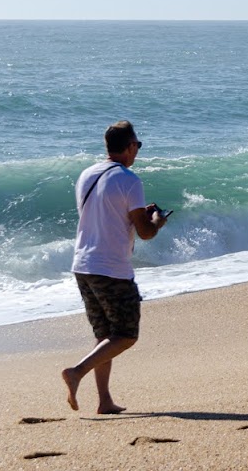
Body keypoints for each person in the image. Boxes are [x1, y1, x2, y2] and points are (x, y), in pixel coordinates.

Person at [61, 121, 168, 413]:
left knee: (104, 334)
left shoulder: (87, 175)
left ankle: (104, 401)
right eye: (138, 146)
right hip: (111, 267)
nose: (138, 151)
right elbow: (145, 232)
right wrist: (157, 220)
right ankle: (76, 372)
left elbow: (105, 213)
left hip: (82, 264)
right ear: (130, 146)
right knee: (126, 334)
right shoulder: (129, 180)